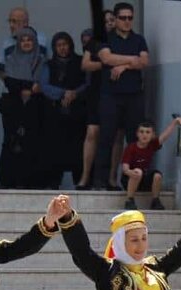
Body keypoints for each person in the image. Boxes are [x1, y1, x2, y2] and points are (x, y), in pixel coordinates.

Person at [93, 2, 149, 189]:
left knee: (135, 140)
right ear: (115, 19)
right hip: (110, 95)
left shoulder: (139, 39)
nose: (127, 21)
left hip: (134, 95)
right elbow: (106, 58)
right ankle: (101, 180)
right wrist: (132, 59)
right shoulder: (105, 38)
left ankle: (132, 181)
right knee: (106, 137)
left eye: (130, 18)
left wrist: (123, 66)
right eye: (123, 18)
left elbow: (144, 61)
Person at [0, 26, 48, 189]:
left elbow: (44, 82)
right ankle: (9, 181)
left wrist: (29, 87)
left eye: (29, 40)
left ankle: (33, 182)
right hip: (14, 107)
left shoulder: (42, 60)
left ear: (35, 42)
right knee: (11, 142)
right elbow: (9, 81)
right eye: (22, 40)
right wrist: (29, 86)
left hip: (35, 106)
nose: (26, 43)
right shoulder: (11, 59)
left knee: (34, 143)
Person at [77, 18, 124, 191]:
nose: (109, 24)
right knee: (92, 132)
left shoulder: (121, 42)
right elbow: (85, 64)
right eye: (105, 21)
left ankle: (112, 178)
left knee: (117, 135)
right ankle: (85, 177)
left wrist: (116, 62)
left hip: (118, 92)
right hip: (96, 92)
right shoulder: (94, 42)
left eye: (112, 20)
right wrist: (108, 62)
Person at [40, 31, 88, 188]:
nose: (62, 48)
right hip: (55, 114)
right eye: (58, 45)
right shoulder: (48, 65)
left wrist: (74, 94)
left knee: (78, 149)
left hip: (78, 114)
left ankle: (80, 183)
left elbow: (87, 83)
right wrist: (63, 93)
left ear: (70, 45)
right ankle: (53, 183)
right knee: (55, 150)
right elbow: (44, 86)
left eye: (65, 44)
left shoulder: (81, 62)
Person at [120, 117, 181, 210]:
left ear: (152, 135)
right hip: (129, 179)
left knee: (157, 175)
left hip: (143, 179)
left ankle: (155, 201)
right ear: (137, 134)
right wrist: (131, 173)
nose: (144, 135)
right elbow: (125, 168)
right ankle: (129, 200)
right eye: (141, 132)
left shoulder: (151, 145)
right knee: (138, 172)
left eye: (148, 132)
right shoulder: (131, 148)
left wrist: (175, 122)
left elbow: (164, 136)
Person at [0, 6, 48, 80]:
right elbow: (2, 71)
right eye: (9, 21)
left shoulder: (42, 40)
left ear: (25, 23)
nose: (11, 25)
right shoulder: (7, 44)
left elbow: (50, 66)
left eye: (14, 21)